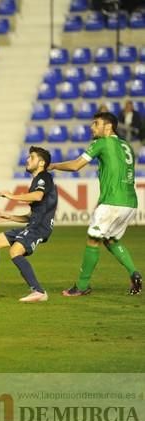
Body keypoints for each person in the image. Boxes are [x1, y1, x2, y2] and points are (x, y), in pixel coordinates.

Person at [49, 111, 142, 296]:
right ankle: (134, 273)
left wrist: (53, 165)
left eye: (96, 123)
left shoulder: (101, 142)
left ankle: (81, 286)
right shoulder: (126, 145)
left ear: (108, 127)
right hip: (130, 202)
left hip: (113, 202)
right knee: (111, 239)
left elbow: (76, 165)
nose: (92, 127)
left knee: (93, 240)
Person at [0, 147, 58, 303]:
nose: (27, 159)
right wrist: (11, 217)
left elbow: (37, 196)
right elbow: (32, 216)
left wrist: (12, 196)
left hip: (39, 229)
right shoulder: (37, 181)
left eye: (32, 157)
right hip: (33, 225)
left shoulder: (44, 177)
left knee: (15, 251)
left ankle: (39, 291)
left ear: (41, 162)